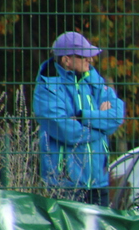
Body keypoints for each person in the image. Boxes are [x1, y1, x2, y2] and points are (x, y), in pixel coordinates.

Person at [33, 31, 126, 204]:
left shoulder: (93, 78)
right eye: (83, 56)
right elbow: (68, 133)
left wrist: (83, 117)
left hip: (99, 183)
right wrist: (101, 127)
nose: (90, 60)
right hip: (65, 185)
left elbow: (116, 116)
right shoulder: (47, 88)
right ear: (66, 60)